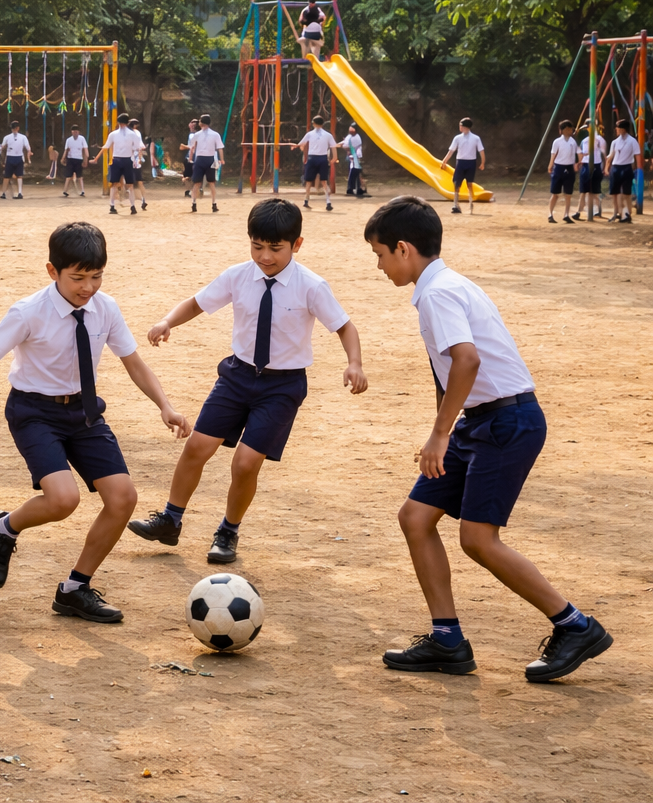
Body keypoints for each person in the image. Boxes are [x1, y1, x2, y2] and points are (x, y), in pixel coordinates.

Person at [364, 196, 613, 682]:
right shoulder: (442, 285)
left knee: (477, 539)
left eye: (379, 254)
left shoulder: (437, 294)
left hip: (507, 421)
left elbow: (467, 360)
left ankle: (575, 625)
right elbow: (448, 371)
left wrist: (439, 434)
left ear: (403, 248)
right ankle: (448, 640)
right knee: (416, 517)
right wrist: (445, 429)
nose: (378, 266)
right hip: (479, 422)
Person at [0, 222, 190, 622]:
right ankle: (3, 528)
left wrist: (166, 405)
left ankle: (74, 589)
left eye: (96, 276)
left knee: (123, 498)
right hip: (34, 412)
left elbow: (133, 362)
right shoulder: (28, 312)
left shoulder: (106, 308)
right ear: (52, 271)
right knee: (62, 500)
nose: (88, 287)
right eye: (78, 278)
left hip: (84, 412)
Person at [130, 198, 367, 564]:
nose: (265, 257)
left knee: (243, 464)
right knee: (196, 448)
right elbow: (197, 302)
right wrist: (167, 322)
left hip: (282, 387)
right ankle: (170, 520)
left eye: (276, 248)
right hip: (237, 377)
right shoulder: (238, 275)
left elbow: (344, 326)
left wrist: (355, 363)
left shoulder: (311, 286)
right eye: (258, 246)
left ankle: (228, 531)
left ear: (297, 245)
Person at [438, 117, 485, 215]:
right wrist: (444, 161)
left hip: (471, 162)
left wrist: (482, 162)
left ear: (464, 126)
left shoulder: (476, 138)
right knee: (456, 183)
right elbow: (451, 151)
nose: (459, 127)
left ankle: (471, 203)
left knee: (469, 184)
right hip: (460, 162)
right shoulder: (457, 138)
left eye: (460, 125)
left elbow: (481, 151)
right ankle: (455, 204)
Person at [297, 114, 339, 212]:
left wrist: (301, 147)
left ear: (314, 123)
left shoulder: (310, 134)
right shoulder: (328, 135)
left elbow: (301, 144)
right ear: (323, 124)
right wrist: (334, 158)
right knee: (324, 181)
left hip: (312, 158)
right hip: (323, 159)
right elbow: (333, 146)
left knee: (308, 181)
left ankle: (306, 199)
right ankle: (328, 202)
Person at [100, 114, 140, 215]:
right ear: (127, 123)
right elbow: (137, 147)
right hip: (127, 160)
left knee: (113, 184)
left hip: (116, 160)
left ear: (118, 122)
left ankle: (112, 206)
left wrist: (98, 155)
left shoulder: (113, 134)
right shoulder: (132, 134)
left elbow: (106, 146)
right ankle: (132, 206)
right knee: (130, 185)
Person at [188, 114, 225, 213]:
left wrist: (190, 159)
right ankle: (214, 204)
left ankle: (194, 204)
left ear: (201, 123)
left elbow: (192, 148)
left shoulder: (197, 134)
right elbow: (220, 148)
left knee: (196, 183)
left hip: (200, 160)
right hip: (211, 159)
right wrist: (222, 159)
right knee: (212, 183)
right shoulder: (215, 134)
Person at [546, 119, 580, 224]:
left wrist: (576, 164)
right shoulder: (557, 142)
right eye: (567, 129)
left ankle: (566, 214)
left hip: (569, 168)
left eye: (570, 129)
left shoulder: (573, 142)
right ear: (561, 130)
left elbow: (577, 154)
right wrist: (550, 165)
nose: (569, 131)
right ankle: (550, 214)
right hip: (558, 168)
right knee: (555, 193)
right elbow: (553, 154)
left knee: (568, 194)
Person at [607, 118, 639, 223]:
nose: (617, 130)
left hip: (626, 168)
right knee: (614, 193)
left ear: (624, 129)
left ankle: (628, 214)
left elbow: (637, 155)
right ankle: (616, 213)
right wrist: (607, 167)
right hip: (615, 168)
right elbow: (611, 156)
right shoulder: (615, 142)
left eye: (619, 128)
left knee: (626, 193)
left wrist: (639, 170)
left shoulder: (632, 141)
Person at [575, 124, 607, 220]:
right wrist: (579, 162)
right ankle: (578, 211)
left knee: (593, 191)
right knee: (583, 190)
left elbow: (604, 154)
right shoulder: (584, 140)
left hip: (596, 165)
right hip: (585, 165)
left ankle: (597, 210)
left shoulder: (599, 139)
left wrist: (605, 167)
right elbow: (581, 153)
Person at [0, 121, 32, 199]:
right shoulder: (11, 137)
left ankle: (13, 193)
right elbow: (28, 149)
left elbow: (28, 148)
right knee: (12, 176)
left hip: (15, 157)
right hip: (14, 157)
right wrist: (29, 158)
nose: (14, 129)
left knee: (14, 176)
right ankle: (10, 193)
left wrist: (29, 158)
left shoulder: (19, 137)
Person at [338, 122, 367, 197]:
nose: (350, 129)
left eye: (352, 128)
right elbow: (344, 142)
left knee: (355, 173)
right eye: (350, 127)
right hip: (351, 156)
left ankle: (354, 189)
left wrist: (341, 146)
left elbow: (347, 146)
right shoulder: (349, 136)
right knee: (355, 173)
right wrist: (337, 144)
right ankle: (357, 188)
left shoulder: (357, 137)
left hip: (356, 156)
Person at [61, 125, 89, 197]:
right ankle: (65, 190)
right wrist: (63, 158)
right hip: (70, 159)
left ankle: (82, 191)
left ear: (78, 132)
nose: (75, 133)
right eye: (74, 132)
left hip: (79, 159)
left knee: (80, 176)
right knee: (68, 176)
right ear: (72, 132)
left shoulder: (82, 139)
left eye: (76, 131)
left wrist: (86, 158)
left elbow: (85, 149)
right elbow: (66, 150)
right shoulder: (69, 140)